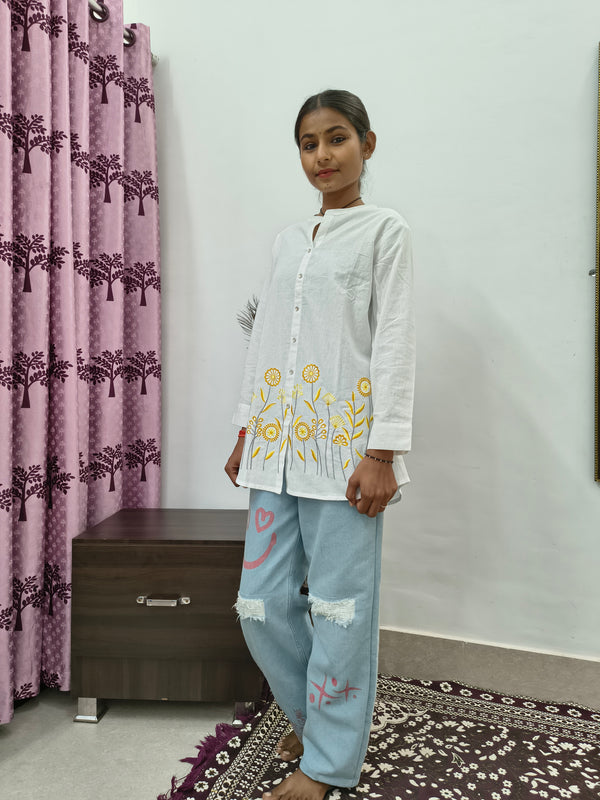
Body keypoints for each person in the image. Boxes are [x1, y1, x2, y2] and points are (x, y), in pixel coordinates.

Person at [224, 89, 415, 800]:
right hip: (275, 449)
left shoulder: (384, 231)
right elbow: (266, 342)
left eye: (337, 138)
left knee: (339, 609)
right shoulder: (287, 242)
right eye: (309, 143)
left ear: (368, 143)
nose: (322, 155)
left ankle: (327, 764)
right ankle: (315, 720)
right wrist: (248, 429)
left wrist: (383, 452)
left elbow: (394, 341)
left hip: (346, 458)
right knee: (260, 604)